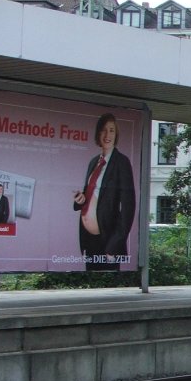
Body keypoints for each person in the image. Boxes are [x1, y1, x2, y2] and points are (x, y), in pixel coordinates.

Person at [72, 113, 136, 271]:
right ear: (98, 133)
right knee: (91, 287)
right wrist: (80, 200)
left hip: (107, 241)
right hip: (89, 240)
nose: (107, 135)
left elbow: (128, 208)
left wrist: (114, 245)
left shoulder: (122, 162)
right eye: (103, 130)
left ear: (116, 134)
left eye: (112, 130)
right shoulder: (93, 162)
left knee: (109, 284)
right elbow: (91, 196)